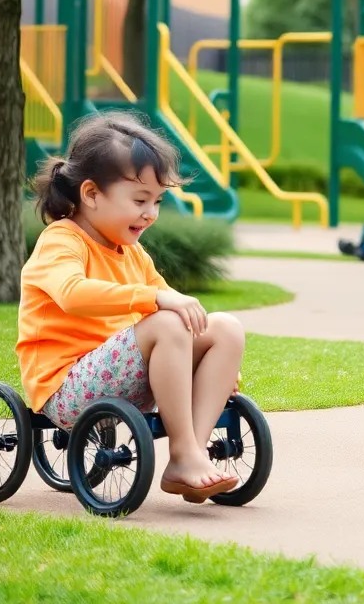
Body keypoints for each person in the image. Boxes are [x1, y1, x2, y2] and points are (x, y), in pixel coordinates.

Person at [17, 113, 245, 503]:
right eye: (140, 200)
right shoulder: (61, 241)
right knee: (166, 323)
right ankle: (186, 453)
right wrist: (155, 298)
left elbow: (179, 318)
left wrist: (212, 360)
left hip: (121, 379)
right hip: (67, 389)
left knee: (225, 328)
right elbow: (73, 293)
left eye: (157, 201)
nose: (150, 213)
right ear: (90, 194)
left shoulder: (132, 253)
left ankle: (189, 452)